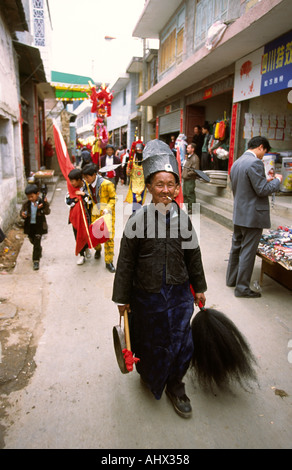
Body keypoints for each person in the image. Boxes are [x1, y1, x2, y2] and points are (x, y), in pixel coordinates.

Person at [112, 139, 207, 418]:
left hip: (179, 295)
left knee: (181, 341)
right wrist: (122, 298)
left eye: (171, 185)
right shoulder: (136, 220)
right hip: (146, 295)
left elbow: (194, 255)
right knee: (150, 341)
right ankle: (152, 376)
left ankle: (176, 385)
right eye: (159, 184)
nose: (166, 190)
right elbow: (126, 262)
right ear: (150, 187)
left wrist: (199, 287)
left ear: (177, 188)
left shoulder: (185, 218)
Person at [226, 136, 283, 298]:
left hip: (240, 213)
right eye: (264, 152)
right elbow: (262, 190)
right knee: (248, 252)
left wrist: (266, 181)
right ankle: (242, 288)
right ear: (260, 147)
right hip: (252, 216)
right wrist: (277, 181)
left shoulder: (237, 163)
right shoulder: (255, 163)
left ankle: (232, 280)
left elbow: (248, 186)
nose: (263, 156)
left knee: (236, 249)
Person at [82, 163, 116, 273]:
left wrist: (108, 208)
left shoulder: (107, 184)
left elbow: (114, 198)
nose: (85, 179)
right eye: (84, 177)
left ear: (94, 175)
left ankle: (109, 261)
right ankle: (98, 250)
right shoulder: (87, 184)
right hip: (95, 211)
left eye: (87, 177)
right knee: (95, 234)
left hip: (107, 213)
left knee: (109, 237)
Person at [20, 184, 50, 270]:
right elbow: (22, 212)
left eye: (32, 196)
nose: (30, 199)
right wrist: (23, 214)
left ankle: (36, 260)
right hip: (29, 226)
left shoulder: (42, 202)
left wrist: (44, 205)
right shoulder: (26, 204)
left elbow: (47, 212)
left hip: (39, 226)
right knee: (32, 239)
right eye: (28, 197)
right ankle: (39, 248)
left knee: (36, 242)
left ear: (37, 194)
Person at [66, 168, 92, 265]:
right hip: (75, 218)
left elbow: (91, 200)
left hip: (86, 216)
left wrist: (83, 195)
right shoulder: (72, 189)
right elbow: (67, 201)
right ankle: (81, 254)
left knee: (86, 233)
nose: (71, 183)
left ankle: (87, 248)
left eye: (73, 181)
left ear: (79, 180)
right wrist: (74, 201)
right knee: (77, 235)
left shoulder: (87, 186)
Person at [125, 141, 146, 212]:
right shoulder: (131, 162)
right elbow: (128, 174)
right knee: (135, 201)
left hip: (142, 184)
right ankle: (134, 217)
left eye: (141, 151)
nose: (139, 153)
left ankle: (139, 217)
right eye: (138, 152)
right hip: (134, 184)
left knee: (140, 202)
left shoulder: (146, 162)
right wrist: (128, 171)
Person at [182, 143, 200, 213]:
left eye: (188, 148)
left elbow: (195, 170)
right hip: (186, 179)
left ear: (192, 149)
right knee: (185, 194)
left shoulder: (195, 158)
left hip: (190, 179)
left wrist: (187, 174)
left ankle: (192, 209)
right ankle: (187, 208)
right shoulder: (189, 157)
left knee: (190, 194)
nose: (187, 149)